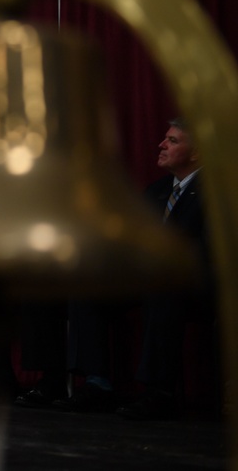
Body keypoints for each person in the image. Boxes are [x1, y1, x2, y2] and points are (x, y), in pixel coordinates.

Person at [57, 118, 211, 419]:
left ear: (197, 153)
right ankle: (97, 383)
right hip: (148, 279)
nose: (161, 145)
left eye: (173, 141)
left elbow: (209, 252)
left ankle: (159, 392)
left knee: (163, 289)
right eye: (164, 139)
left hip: (194, 284)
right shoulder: (157, 190)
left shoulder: (215, 193)